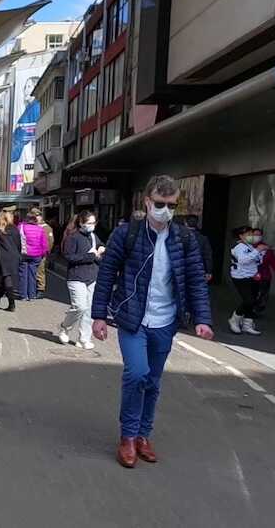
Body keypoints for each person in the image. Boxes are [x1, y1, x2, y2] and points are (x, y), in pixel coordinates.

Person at [91, 175, 213, 468]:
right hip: (133, 318)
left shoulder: (184, 238)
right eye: (160, 204)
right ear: (147, 202)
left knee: (153, 381)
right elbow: (107, 275)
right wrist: (98, 316)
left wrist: (202, 319)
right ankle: (128, 437)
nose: (166, 210)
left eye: (172, 205)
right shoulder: (126, 234)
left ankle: (144, 435)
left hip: (166, 321)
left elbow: (196, 279)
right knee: (136, 374)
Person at [58, 210, 105, 349]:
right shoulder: (72, 238)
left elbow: (99, 245)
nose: (92, 225)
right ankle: (65, 327)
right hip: (76, 277)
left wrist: (101, 248)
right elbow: (69, 257)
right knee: (79, 306)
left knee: (89, 309)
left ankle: (84, 339)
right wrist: (90, 256)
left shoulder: (93, 236)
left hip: (92, 276)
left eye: (94, 222)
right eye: (89, 223)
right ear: (81, 223)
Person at [228, 225, 264, 335]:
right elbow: (243, 260)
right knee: (248, 300)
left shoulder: (250, 246)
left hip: (252, 276)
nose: (251, 236)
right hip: (241, 277)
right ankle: (234, 319)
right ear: (241, 236)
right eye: (248, 234)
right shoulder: (240, 247)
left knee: (253, 301)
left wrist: (260, 252)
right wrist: (257, 250)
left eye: (251, 234)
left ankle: (247, 324)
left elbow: (257, 260)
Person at [0, 208, 21, 311]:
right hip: (14, 256)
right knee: (4, 279)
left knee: (6, 279)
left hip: (3, 256)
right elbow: (18, 244)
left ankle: (12, 304)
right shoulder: (15, 228)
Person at [18, 211, 49, 300]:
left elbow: (16, 240)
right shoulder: (40, 229)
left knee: (23, 274)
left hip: (23, 254)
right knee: (33, 274)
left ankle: (23, 295)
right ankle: (32, 295)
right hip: (36, 255)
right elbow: (44, 244)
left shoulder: (20, 227)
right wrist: (43, 254)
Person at [252, 228, 275, 315]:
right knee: (252, 293)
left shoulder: (266, 248)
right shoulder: (248, 247)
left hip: (264, 275)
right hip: (251, 274)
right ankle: (250, 308)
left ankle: (257, 309)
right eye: (255, 235)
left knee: (263, 293)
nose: (257, 237)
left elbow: (273, 260)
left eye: (259, 235)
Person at [184, 215, 213, 283]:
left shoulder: (178, 237)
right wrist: (208, 271)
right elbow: (208, 256)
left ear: (185, 223)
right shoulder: (203, 239)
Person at [32, 209, 54, 297]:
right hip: (32, 252)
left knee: (40, 271)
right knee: (33, 271)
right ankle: (33, 288)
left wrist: (46, 251)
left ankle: (40, 288)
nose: (35, 218)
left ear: (40, 216)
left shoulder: (46, 228)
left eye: (36, 216)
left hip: (41, 253)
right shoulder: (33, 226)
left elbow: (50, 241)